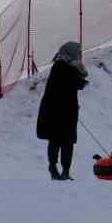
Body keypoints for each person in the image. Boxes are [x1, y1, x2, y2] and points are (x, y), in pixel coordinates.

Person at [37, 40, 87, 180]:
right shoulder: (61, 66)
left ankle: (64, 171)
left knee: (65, 141)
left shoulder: (66, 65)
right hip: (57, 111)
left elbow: (74, 84)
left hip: (66, 110)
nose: (79, 55)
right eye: (78, 52)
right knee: (59, 140)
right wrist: (81, 80)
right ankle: (54, 168)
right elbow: (72, 84)